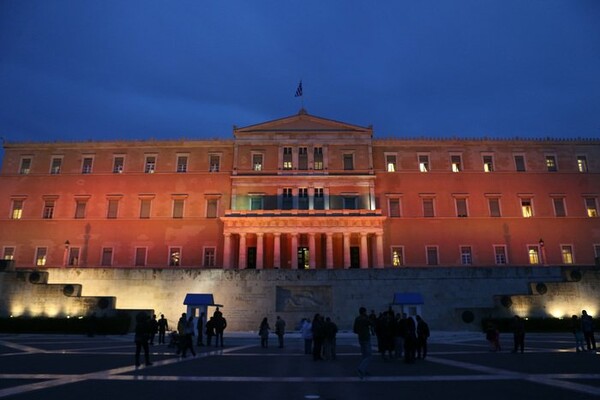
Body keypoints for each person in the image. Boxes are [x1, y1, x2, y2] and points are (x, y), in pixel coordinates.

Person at [353, 306, 373, 378]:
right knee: (369, 355)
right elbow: (372, 323)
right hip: (366, 338)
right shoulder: (365, 318)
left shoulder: (357, 319)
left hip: (360, 338)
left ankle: (364, 370)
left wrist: (360, 331)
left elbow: (355, 330)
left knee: (364, 355)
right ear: (364, 312)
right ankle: (361, 369)